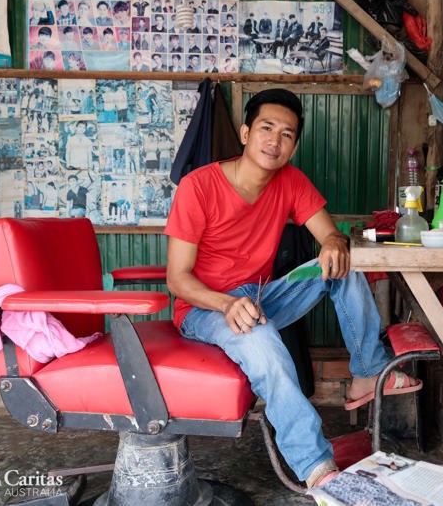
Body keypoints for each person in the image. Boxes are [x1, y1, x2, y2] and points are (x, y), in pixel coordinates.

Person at [163, 89, 421, 490]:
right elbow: (177, 279)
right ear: (246, 133)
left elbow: (329, 234)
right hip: (206, 308)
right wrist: (228, 303)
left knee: (340, 267)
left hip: (262, 296)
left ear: (294, 146)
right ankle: (316, 467)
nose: (275, 140)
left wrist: (334, 241)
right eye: (267, 128)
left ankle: (367, 373)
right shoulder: (199, 186)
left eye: (287, 134)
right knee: (260, 336)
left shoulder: (290, 181)